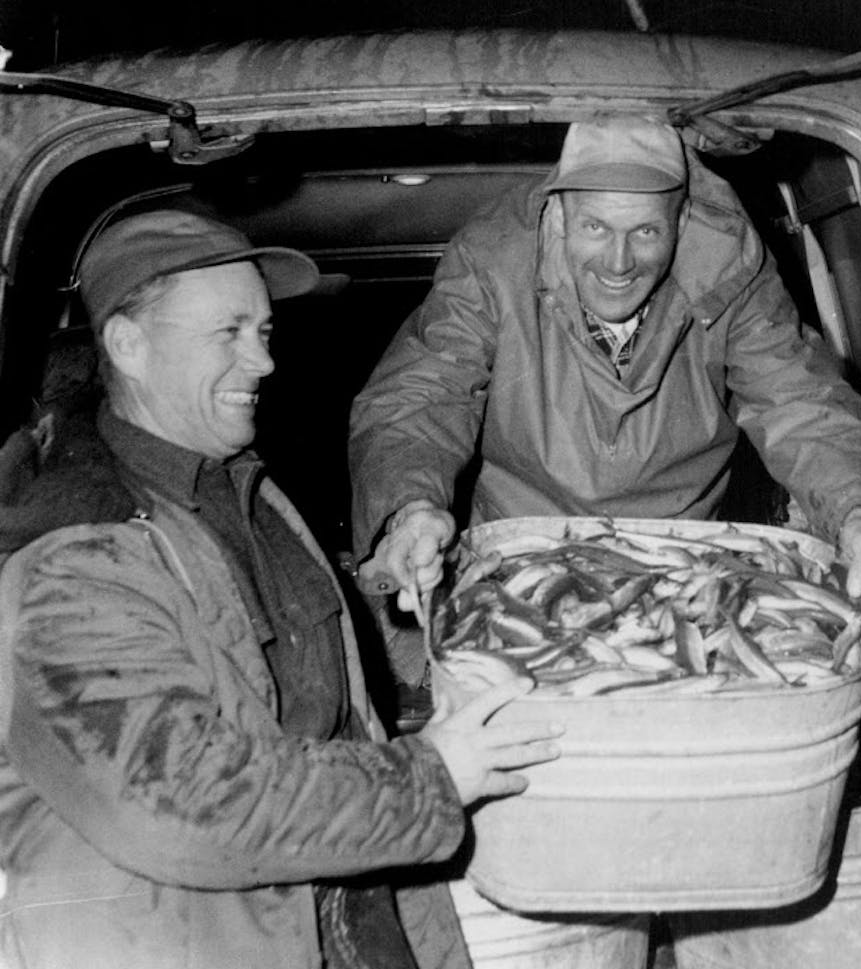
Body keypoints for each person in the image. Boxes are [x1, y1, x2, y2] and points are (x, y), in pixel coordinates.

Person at [0, 210, 562, 969]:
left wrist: (394, 583)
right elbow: (179, 800)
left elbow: (269, 649)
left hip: (322, 908)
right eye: (227, 333)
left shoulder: (236, 489)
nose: (263, 362)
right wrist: (431, 774)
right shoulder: (75, 551)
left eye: (263, 332)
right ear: (127, 345)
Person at [348, 113, 861, 674]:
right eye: (596, 228)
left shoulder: (732, 270)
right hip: (514, 569)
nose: (618, 263)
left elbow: (800, 401)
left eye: (645, 232)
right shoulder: (492, 263)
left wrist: (853, 514)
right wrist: (411, 507)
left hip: (680, 571)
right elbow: (422, 393)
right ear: (561, 216)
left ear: (682, 220)